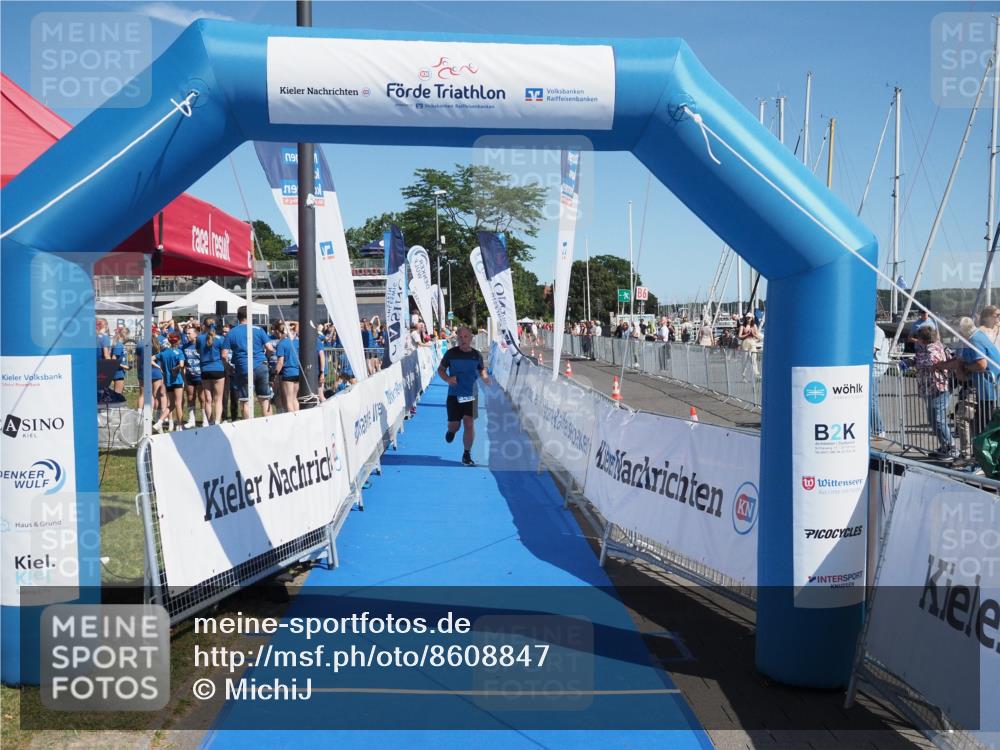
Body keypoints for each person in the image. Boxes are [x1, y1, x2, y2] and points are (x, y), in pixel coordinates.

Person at [438, 326, 490, 466]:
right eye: (460, 337)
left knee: (469, 423)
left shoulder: (476, 355)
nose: (463, 340)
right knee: (455, 425)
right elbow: (441, 370)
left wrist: (485, 377)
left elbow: (481, 369)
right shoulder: (450, 354)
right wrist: (448, 379)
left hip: (471, 394)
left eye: (466, 337)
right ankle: (451, 431)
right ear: (457, 339)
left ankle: (466, 454)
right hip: (454, 395)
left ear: (471, 338)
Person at [222, 306, 274, 420]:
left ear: (238, 317)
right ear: (250, 316)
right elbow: (270, 348)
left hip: (243, 367)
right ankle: (269, 426)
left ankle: (249, 427)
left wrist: (228, 367)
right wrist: (265, 358)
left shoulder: (232, 332)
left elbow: (224, 355)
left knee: (245, 401)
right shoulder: (259, 330)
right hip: (261, 365)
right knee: (265, 399)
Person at [914, 327, 957, 459]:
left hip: (938, 388)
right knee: (934, 419)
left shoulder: (932, 349)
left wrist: (915, 360)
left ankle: (951, 448)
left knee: (937, 419)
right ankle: (945, 446)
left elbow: (930, 362)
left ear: (922, 339)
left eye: (918, 338)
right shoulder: (932, 347)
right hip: (932, 387)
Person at [197, 316, 226, 425]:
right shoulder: (221, 339)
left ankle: (209, 422)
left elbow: (199, 351)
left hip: (205, 369)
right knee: (218, 399)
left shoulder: (200, 338)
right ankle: (217, 421)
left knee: (208, 399)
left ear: (204, 326)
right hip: (218, 369)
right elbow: (223, 355)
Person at [157, 333, 186, 430]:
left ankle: (160, 421)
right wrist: (176, 368)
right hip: (177, 380)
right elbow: (181, 365)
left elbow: (151, 359)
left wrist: (159, 367)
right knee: (178, 403)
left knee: (171, 404)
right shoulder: (179, 352)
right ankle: (180, 425)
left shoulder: (164, 353)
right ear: (178, 341)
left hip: (168, 381)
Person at [275, 322, 301, 413]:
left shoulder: (282, 344)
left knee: (288, 400)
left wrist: (274, 374)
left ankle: (293, 421)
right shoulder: (297, 343)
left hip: (288, 373)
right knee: (295, 398)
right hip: (297, 372)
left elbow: (280, 362)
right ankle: (297, 418)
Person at [181, 326, 203, 428]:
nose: (187, 335)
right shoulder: (184, 347)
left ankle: (206, 419)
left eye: (189, 333)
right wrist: (184, 377)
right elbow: (183, 363)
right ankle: (191, 419)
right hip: (190, 376)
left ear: (196, 334)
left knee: (202, 398)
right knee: (190, 397)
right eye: (186, 333)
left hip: (201, 375)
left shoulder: (200, 345)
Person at [871, 321, 890, 439]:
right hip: (872, 368)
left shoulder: (877, 332)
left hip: (876, 369)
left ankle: (879, 430)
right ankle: (874, 429)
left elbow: (872, 349)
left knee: (872, 401)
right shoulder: (871, 331)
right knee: (870, 400)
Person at [110, 327, 128, 394]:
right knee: (118, 394)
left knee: (118, 394)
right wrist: (124, 366)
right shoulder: (119, 345)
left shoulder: (120, 344)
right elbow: (113, 359)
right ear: (125, 334)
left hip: (119, 371)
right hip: (118, 372)